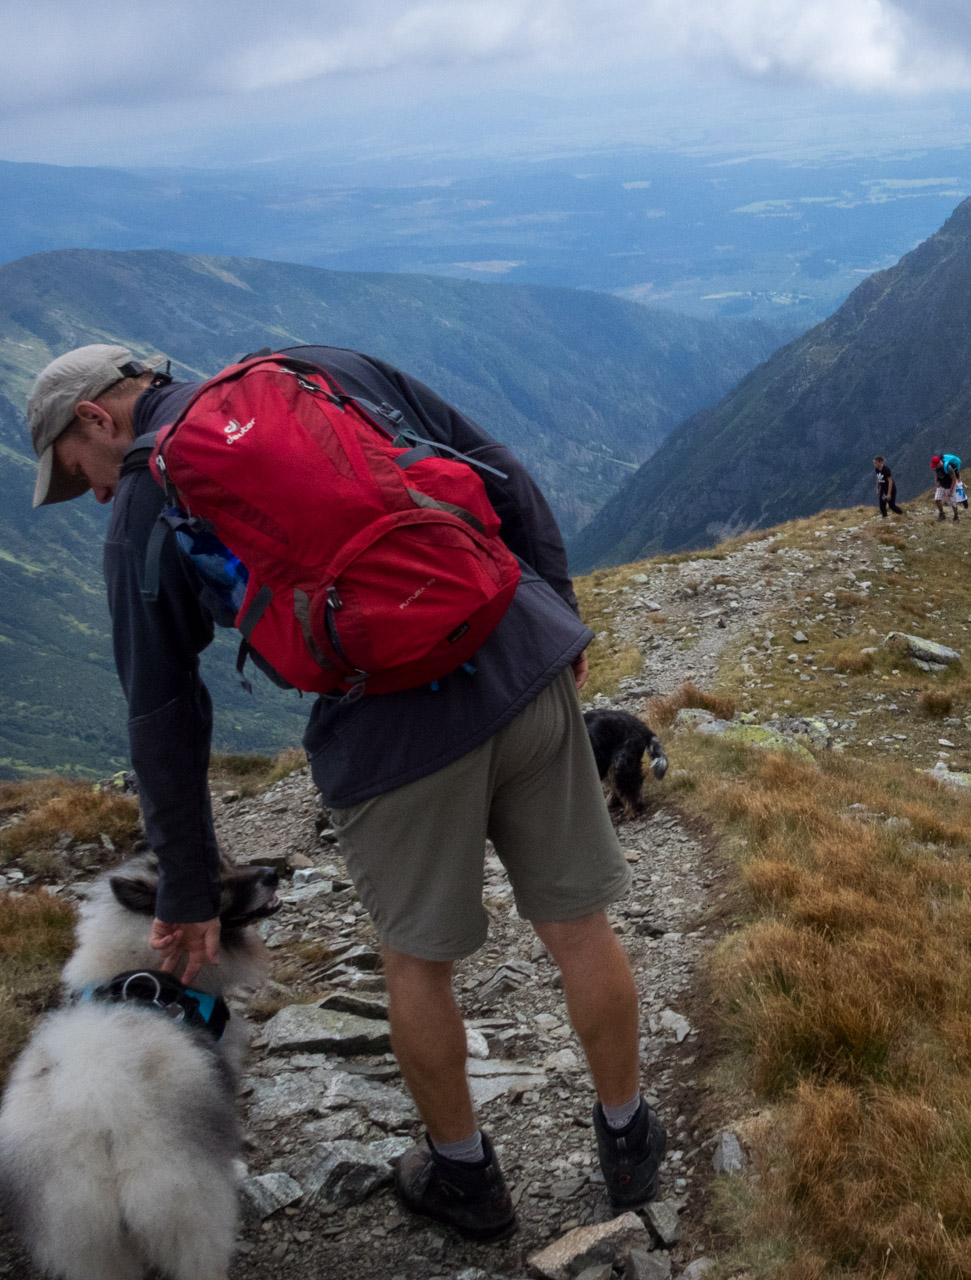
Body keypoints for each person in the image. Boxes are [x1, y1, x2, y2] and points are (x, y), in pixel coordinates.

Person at [25, 344, 666, 1241]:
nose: (91, 490)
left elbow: (163, 707)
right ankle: (630, 1138)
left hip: (391, 731)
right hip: (517, 651)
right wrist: (554, 608)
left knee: (416, 964)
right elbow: (503, 471)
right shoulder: (311, 370)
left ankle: (465, 1177)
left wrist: (186, 885)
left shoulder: (145, 501)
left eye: (74, 471)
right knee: (579, 927)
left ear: (96, 417)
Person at [929, 453, 959, 521]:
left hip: (949, 485)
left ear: (938, 463)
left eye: (935, 465)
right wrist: (937, 482)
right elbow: (936, 474)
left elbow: (954, 479)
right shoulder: (936, 467)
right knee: (937, 499)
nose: (934, 467)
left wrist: (951, 490)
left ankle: (956, 516)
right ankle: (942, 514)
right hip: (942, 485)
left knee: (952, 502)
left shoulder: (948, 468)